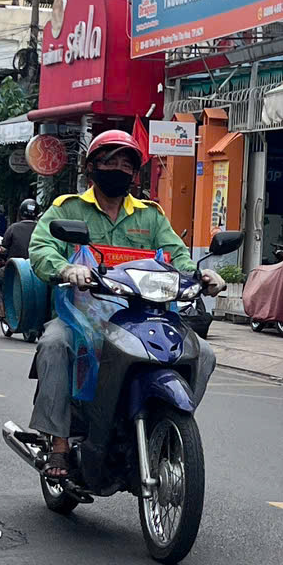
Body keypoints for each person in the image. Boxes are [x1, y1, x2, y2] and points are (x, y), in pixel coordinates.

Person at [27, 130, 221, 487]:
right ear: (91, 167)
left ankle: (167, 426)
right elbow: (41, 248)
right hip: (84, 315)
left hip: (142, 316)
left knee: (203, 353)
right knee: (53, 344)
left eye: (126, 164)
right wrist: (65, 269)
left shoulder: (150, 216)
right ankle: (59, 443)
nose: (118, 169)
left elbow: (176, 254)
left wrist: (200, 275)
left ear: (134, 174)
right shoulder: (68, 208)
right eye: (110, 161)